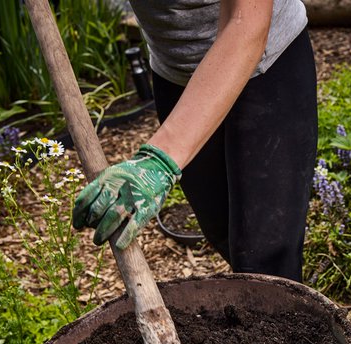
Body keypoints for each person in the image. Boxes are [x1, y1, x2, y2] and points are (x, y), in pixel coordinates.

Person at [72, 0, 316, 282]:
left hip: (264, 65)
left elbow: (246, 24)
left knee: (264, 257)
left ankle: (282, 305)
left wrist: (160, 159)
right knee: (221, 231)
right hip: (175, 72)